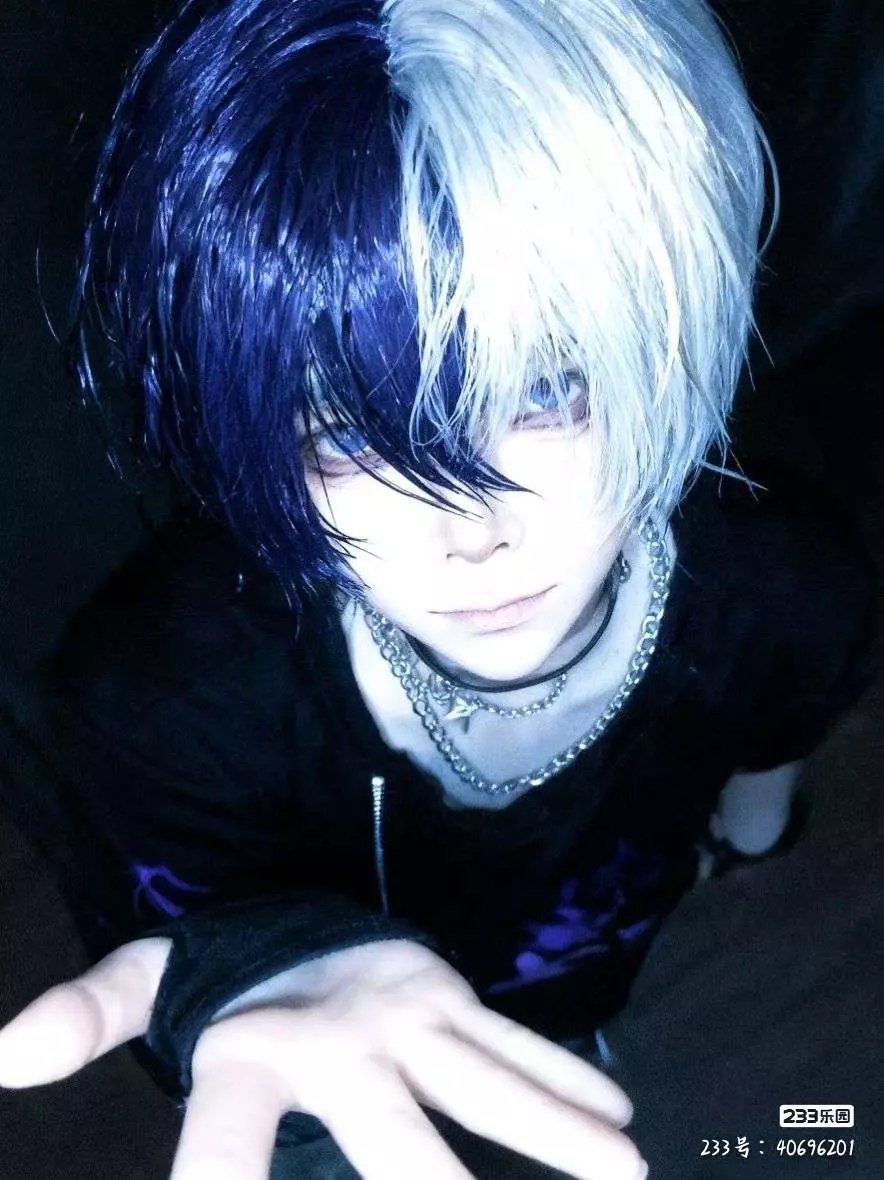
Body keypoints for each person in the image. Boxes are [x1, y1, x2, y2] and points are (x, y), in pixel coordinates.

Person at [0, 0, 876, 1176]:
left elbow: (771, 750)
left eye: (545, 388)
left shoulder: (785, 590)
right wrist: (263, 981)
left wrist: (749, 841)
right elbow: (201, 969)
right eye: (343, 435)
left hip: (579, 974)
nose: (467, 532)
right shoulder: (163, 692)